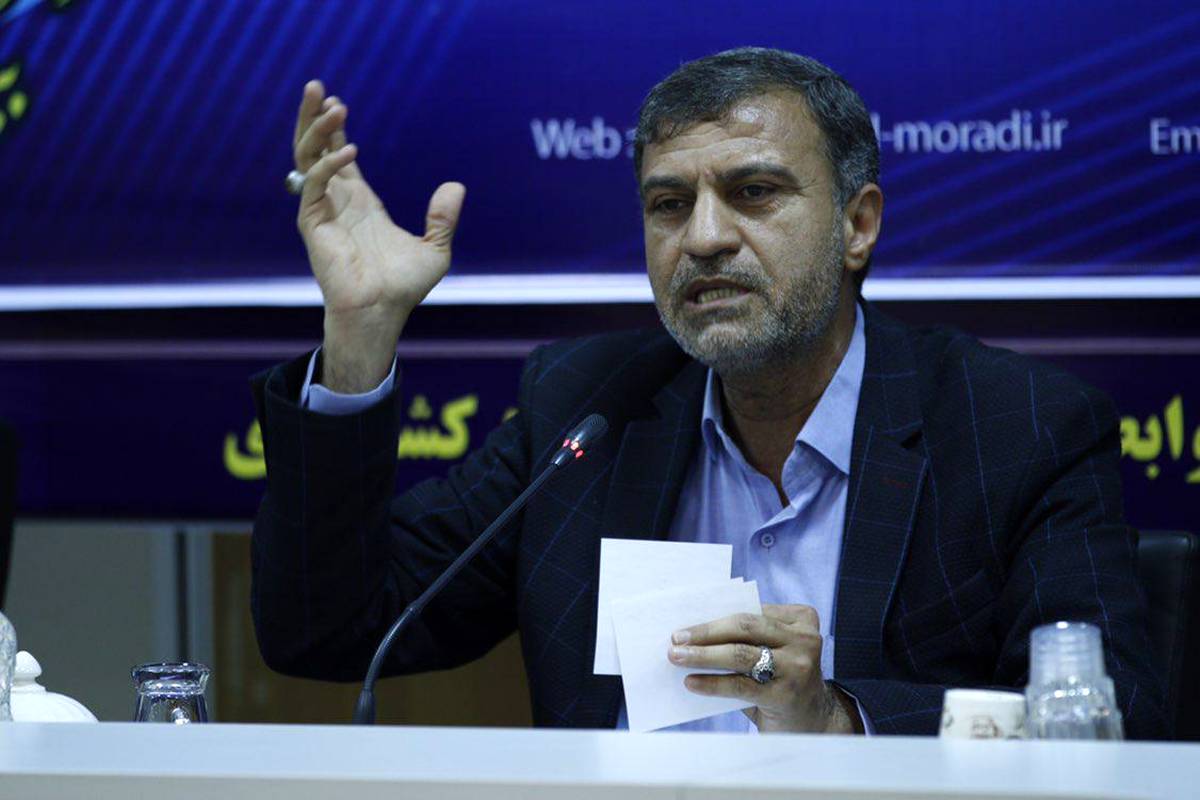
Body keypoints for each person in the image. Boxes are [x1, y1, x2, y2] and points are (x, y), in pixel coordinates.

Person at [251, 48, 1168, 737]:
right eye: (668, 205)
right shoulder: (589, 408)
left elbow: (1109, 719)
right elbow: (331, 630)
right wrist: (360, 333)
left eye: (753, 192)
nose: (703, 238)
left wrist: (842, 720)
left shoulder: (1018, 427)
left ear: (858, 225)